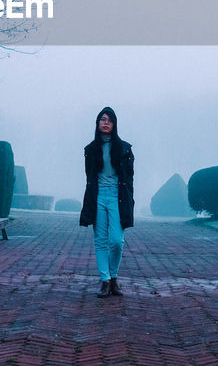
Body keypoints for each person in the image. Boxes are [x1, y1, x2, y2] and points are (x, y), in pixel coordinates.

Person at [79, 106, 134, 298]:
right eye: (102, 119)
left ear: (114, 124)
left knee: (116, 241)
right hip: (98, 196)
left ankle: (114, 277)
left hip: (117, 197)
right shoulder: (90, 150)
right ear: (97, 123)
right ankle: (105, 281)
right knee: (100, 241)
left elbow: (129, 178)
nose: (105, 122)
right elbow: (90, 177)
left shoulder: (125, 149)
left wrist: (129, 202)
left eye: (109, 119)